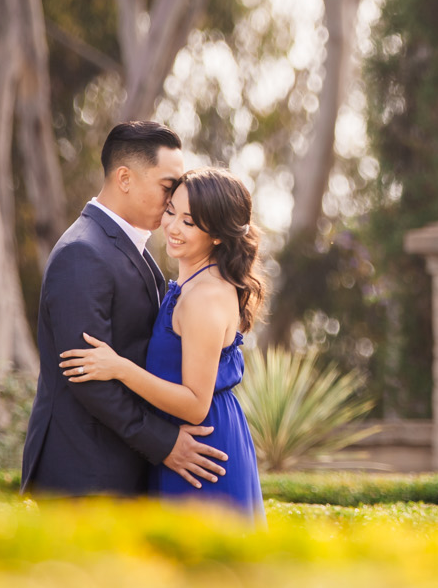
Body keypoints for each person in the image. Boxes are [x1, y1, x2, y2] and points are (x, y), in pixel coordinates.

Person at [21, 121, 229, 496]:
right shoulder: (82, 253)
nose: (172, 202)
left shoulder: (134, 249)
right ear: (125, 178)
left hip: (120, 466)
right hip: (85, 474)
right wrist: (165, 443)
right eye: (168, 187)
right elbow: (87, 378)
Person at [60, 166, 267, 521]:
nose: (172, 227)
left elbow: (194, 405)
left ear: (216, 234)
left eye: (189, 222)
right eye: (171, 211)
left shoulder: (205, 297)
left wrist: (120, 368)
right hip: (183, 442)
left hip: (201, 449)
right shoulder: (191, 281)